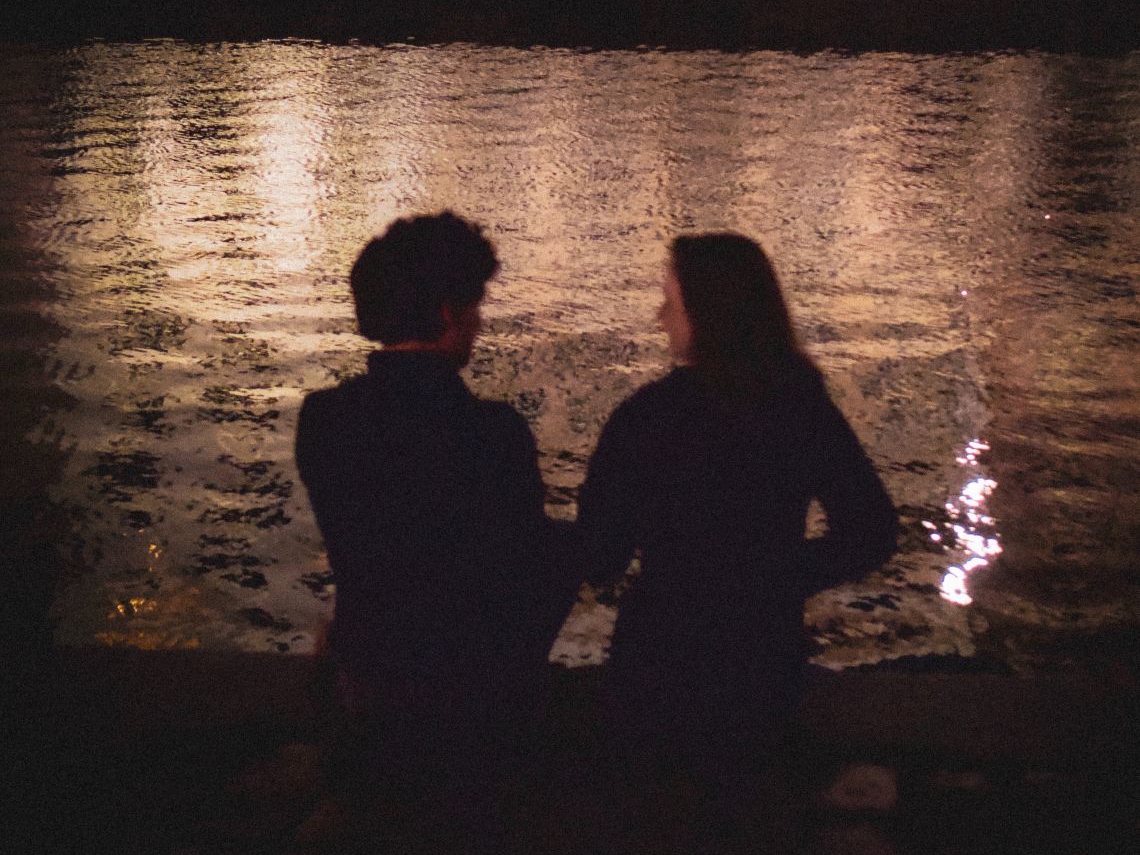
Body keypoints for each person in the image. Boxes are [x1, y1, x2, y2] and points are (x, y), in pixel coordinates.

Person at [578, 233, 898, 786]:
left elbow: (601, 556)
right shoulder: (800, 409)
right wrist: (776, 575)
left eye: (670, 302)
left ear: (706, 315)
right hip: (761, 651)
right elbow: (871, 530)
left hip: (660, 653)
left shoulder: (646, 418)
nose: (660, 317)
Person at [295, 211, 580, 788]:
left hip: (371, 668)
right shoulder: (493, 432)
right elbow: (518, 567)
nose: (480, 322)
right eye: (476, 305)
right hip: (470, 689)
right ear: (451, 312)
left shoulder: (322, 420)